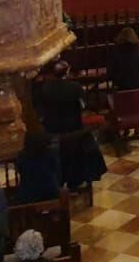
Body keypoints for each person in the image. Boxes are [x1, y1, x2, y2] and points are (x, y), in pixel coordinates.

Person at [34, 61, 106, 190]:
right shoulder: (75, 87)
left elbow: (41, 109)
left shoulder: (45, 88)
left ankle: (59, 180)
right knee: (80, 152)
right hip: (73, 128)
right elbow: (83, 106)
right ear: (67, 72)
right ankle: (77, 181)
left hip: (53, 129)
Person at [12, 132, 60, 205]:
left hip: (27, 193)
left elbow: (19, 170)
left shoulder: (22, 156)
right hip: (50, 191)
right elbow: (55, 168)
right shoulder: (51, 153)